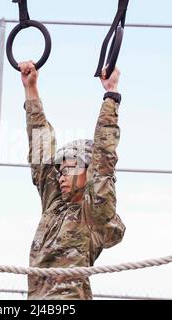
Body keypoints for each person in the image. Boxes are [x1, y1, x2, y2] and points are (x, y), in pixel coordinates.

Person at [19, 60, 126, 300]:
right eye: (61, 170)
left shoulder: (93, 215)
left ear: (89, 173)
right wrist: (31, 89)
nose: (61, 175)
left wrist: (111, 95)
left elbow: (103, 161)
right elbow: (39, 150)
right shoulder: (55, 206)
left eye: (70, 168)